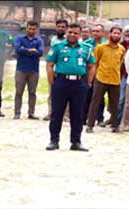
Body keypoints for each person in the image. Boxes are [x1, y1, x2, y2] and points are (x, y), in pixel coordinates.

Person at [45, 23, 95, 152]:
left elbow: (91, 66)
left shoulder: (86, 48)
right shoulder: (57, 47)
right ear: (67, 33)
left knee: (77, 114)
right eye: (70, 32)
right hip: (61, 82)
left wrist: (88, 83)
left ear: (79, 35)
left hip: (79, 84)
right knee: (57, 113)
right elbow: (50, 64)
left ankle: (76, 142)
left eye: (75, 33)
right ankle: (54, 141)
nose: (72, 35)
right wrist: (52, 82)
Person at [86, 26, 126, 133]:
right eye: (114, 33)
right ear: (109, 34)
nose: (116, 35)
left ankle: (115, 125)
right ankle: (90, 125)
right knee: (95, 102)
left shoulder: (122, 49)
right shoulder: (100, 47)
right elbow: (95, 63)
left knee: (114, 104)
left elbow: (120, 63)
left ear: (120, 36)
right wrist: (94, 77)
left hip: (115, 80)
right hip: (101, 78)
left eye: (118, 33)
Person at [13, 20, 44, 119]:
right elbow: (17, 49)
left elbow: (40, 52)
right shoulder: (19, 38)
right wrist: (31, 50)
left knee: (32, 92)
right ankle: (17, 113)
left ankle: (31, 113)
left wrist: (24, 50)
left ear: (36, 29)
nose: (31, 30)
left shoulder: (39, 40)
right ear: (26, 28)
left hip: (34, 70)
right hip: (21, 69)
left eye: (33, 29)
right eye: (30, 28)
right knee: (18, 92)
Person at [83, 23, 107, 125]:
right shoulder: (87, 44)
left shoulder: (107, 44)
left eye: (98, 31)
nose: (95, 33)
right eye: (94, 31)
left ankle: (100, 119)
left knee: (99, 97)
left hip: (101, 74)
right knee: (86, 96)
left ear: (103, 32)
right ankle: (84, 117)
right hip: (88, 73)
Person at [46, 19, 70, 121]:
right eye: (59, 26)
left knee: (67, 95)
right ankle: (51, 113)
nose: (60, 28)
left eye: (63, 27)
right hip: (53, 70)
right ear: (56, 27)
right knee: (52, 93)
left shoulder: (70, 40)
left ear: (66, 28)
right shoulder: (53, 40)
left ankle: (66, 115)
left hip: (65, 71)